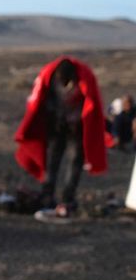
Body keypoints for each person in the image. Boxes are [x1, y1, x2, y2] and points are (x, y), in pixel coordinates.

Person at [16, 56, 110, 220]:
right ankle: (47, 195)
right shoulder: (49, 77)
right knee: (52, 160)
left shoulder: (84, 77)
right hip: (56, 126)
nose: (66, 85)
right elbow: (40, 100)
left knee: (74, 162)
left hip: (77, 128)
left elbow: (91, 103)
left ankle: (67, 198)